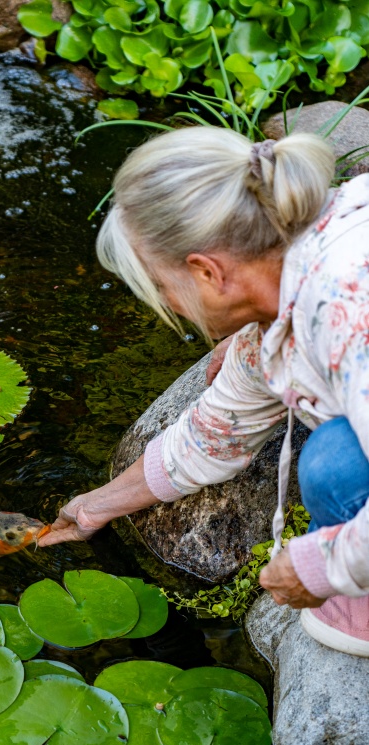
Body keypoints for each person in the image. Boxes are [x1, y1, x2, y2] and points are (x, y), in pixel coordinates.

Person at [39, 126, 369, 657]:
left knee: (333, 468)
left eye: (163, 288)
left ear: (208, 271)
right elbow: (211, 437)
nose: (169, 307)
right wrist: (95, 507)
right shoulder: (287, 293)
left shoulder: (348, 309)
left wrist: (319, 564)